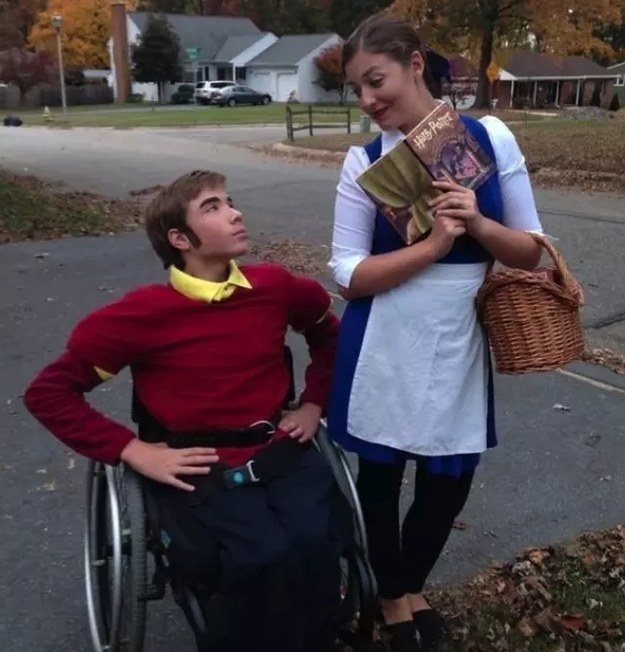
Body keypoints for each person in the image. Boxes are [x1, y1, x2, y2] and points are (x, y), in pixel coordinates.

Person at [24, 169, 350, 652]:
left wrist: (313, 403)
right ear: (180, 238)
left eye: (230, 201)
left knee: (319, 545)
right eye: (213, 207)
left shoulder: (274, 287)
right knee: (260, 557)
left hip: (279, 448)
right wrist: (131, 449)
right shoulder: (140, 316)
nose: (236, 213)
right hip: (200, 465)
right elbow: (49, 393)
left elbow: (328, 333)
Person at [326, 14, 545, 652]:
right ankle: (393, 596)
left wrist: (476, 223)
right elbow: (347, 275)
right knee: (381, 473)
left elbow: (531, 252)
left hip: (460, 329)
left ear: (415, 64)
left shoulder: (490, 136)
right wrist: (430, 245)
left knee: (449, 477)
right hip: (385, 330)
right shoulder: (363, 160)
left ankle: (407, 580)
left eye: (377, 81)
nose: (368, 100)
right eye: (357, 89)